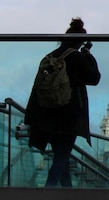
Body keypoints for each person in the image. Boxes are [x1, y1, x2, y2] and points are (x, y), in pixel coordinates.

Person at [24, 17, 102, 187]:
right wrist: (88, 54)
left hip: (46, 116)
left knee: (62, 158)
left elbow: (36, 88)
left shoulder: (49, 57)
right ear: (80, 41)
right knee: (61, 157)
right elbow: (94, 77)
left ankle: (67, 192)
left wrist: (30, 117)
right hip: (69, 117)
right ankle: (49, 190)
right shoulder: (77, 57)